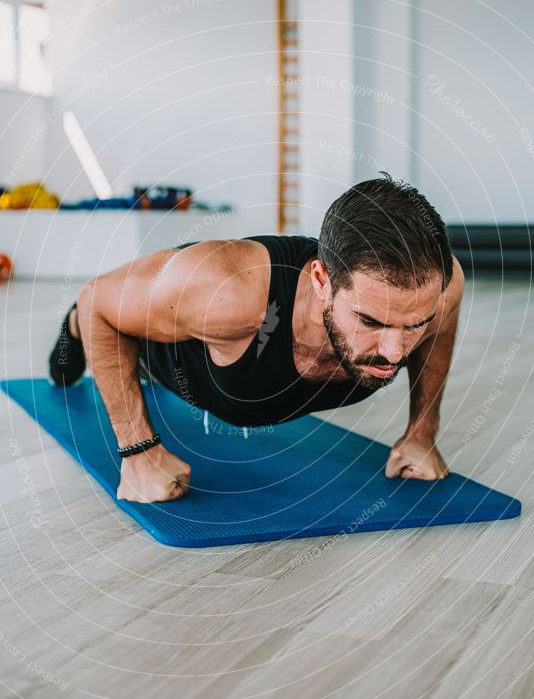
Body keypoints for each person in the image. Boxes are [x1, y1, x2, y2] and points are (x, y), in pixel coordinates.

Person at [48, 174, 465, 503]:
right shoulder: (226, 291)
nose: (394, 353)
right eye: (370, 321)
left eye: (413, 324)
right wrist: (137, 451)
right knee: (86, 331)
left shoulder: (442, 287)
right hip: (165, 344)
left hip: (222, 344)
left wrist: (421, 433)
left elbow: (439, 329)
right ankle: (71, 331)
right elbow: (96, 299)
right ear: (322, 281)